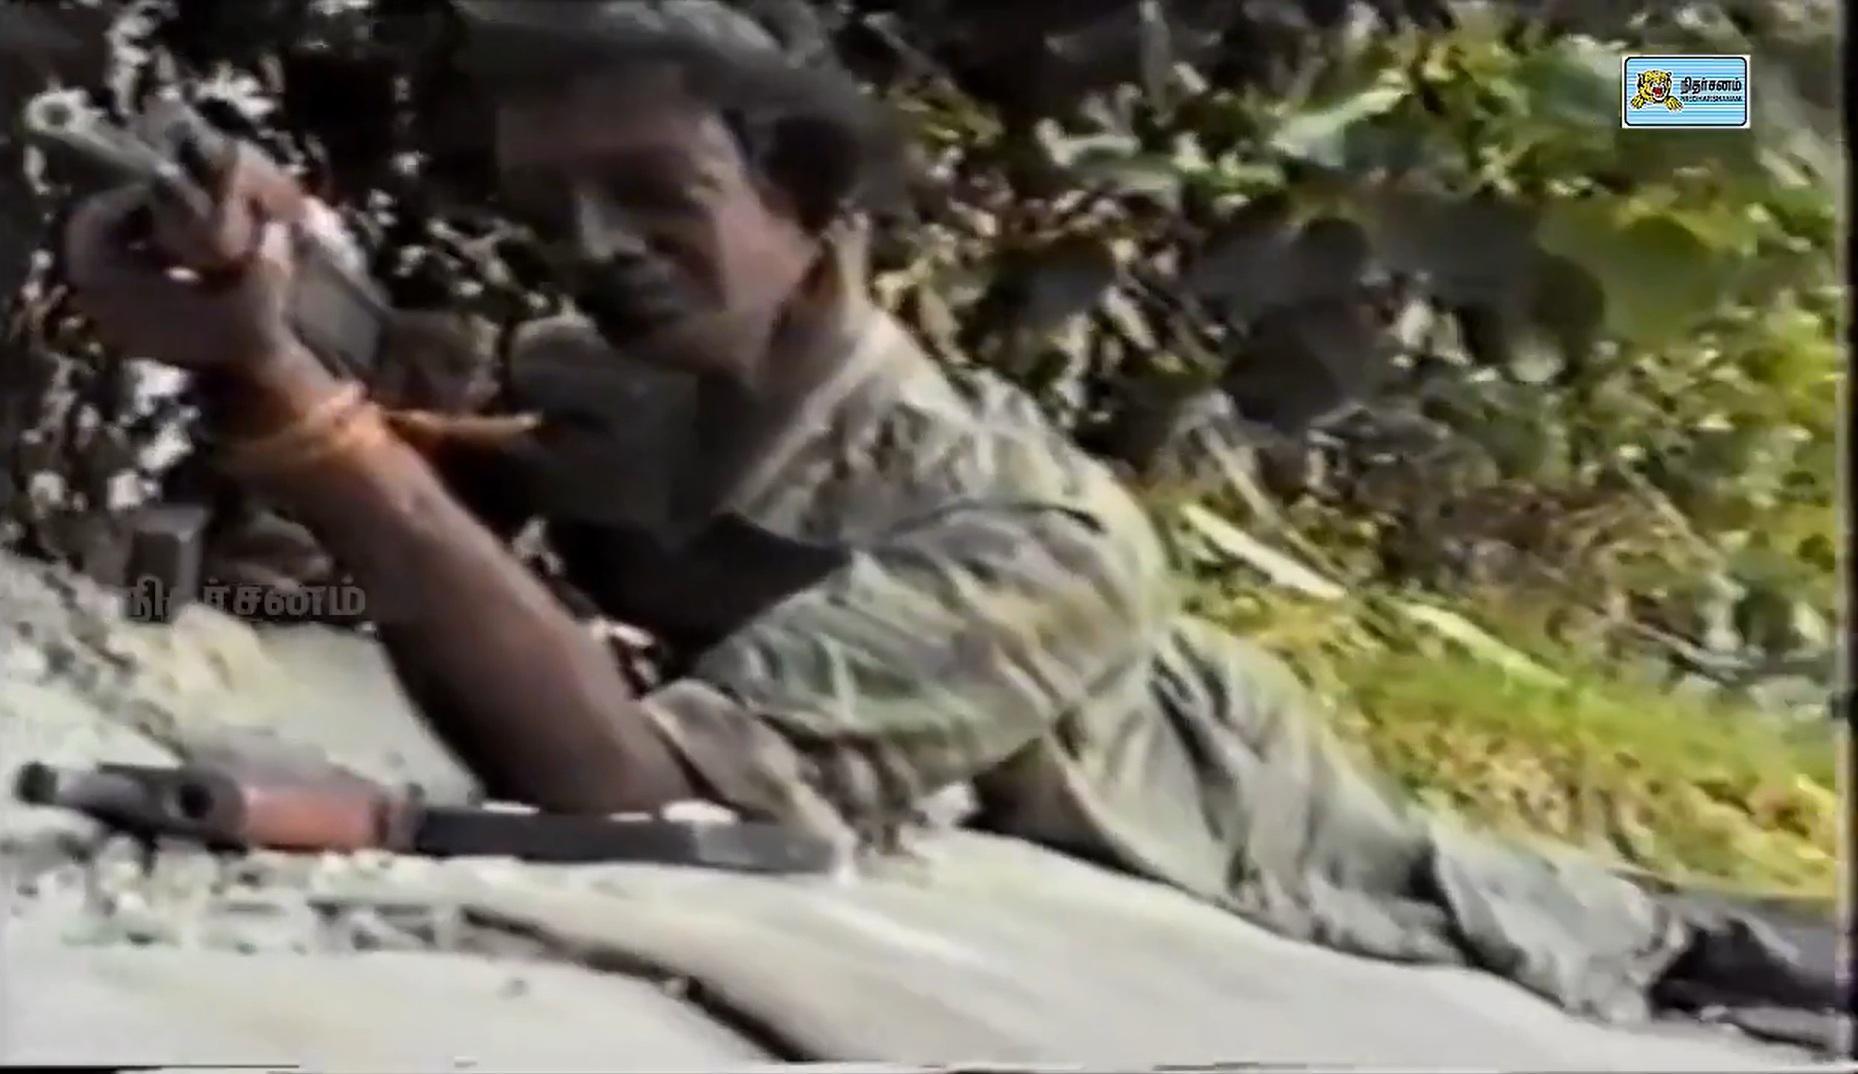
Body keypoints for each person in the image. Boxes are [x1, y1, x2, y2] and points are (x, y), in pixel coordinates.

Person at [59, 0, 1833, 1038]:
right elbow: (355, 501)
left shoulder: (1034, 532)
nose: (590, 252)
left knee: (1723, 950)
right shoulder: (607, 389)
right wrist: (273, 299)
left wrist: (302, 406)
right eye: (553, 207)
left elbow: (640, 793)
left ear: (812, 202)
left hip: (1375, 874)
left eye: (652, 195)